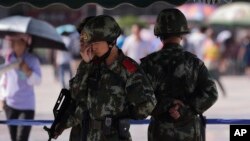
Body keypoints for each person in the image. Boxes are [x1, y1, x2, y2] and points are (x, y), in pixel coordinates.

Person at [52, 15, 156, 141]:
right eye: (89, 43)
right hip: (84, 135)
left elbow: (147, 105)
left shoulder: (128, 69)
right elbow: (76, 94)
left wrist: (122, 115)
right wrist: (86, 65)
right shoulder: (90, 64)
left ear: (111, 42)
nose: (91, 47)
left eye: (95, 43)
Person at [140, 8, 218, 141]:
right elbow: (211, 93)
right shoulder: (194, 63)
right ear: (182, 33)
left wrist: (164, 106)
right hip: (189, 132)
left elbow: (140, 98)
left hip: (159, 132)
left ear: (159, 33)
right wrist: (185, 110)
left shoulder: (148, 64)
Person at [0, 34, 42, 141]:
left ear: (26, 45)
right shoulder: (9, 58)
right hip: (10, 105)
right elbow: (4, 80)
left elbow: (38, 81)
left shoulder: (32, 60)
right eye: (16, 43)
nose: (18, 46)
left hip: (26, 106)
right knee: (14, 138)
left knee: (21, 138)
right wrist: (2, 97)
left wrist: (27, 70)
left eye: (21, 43)